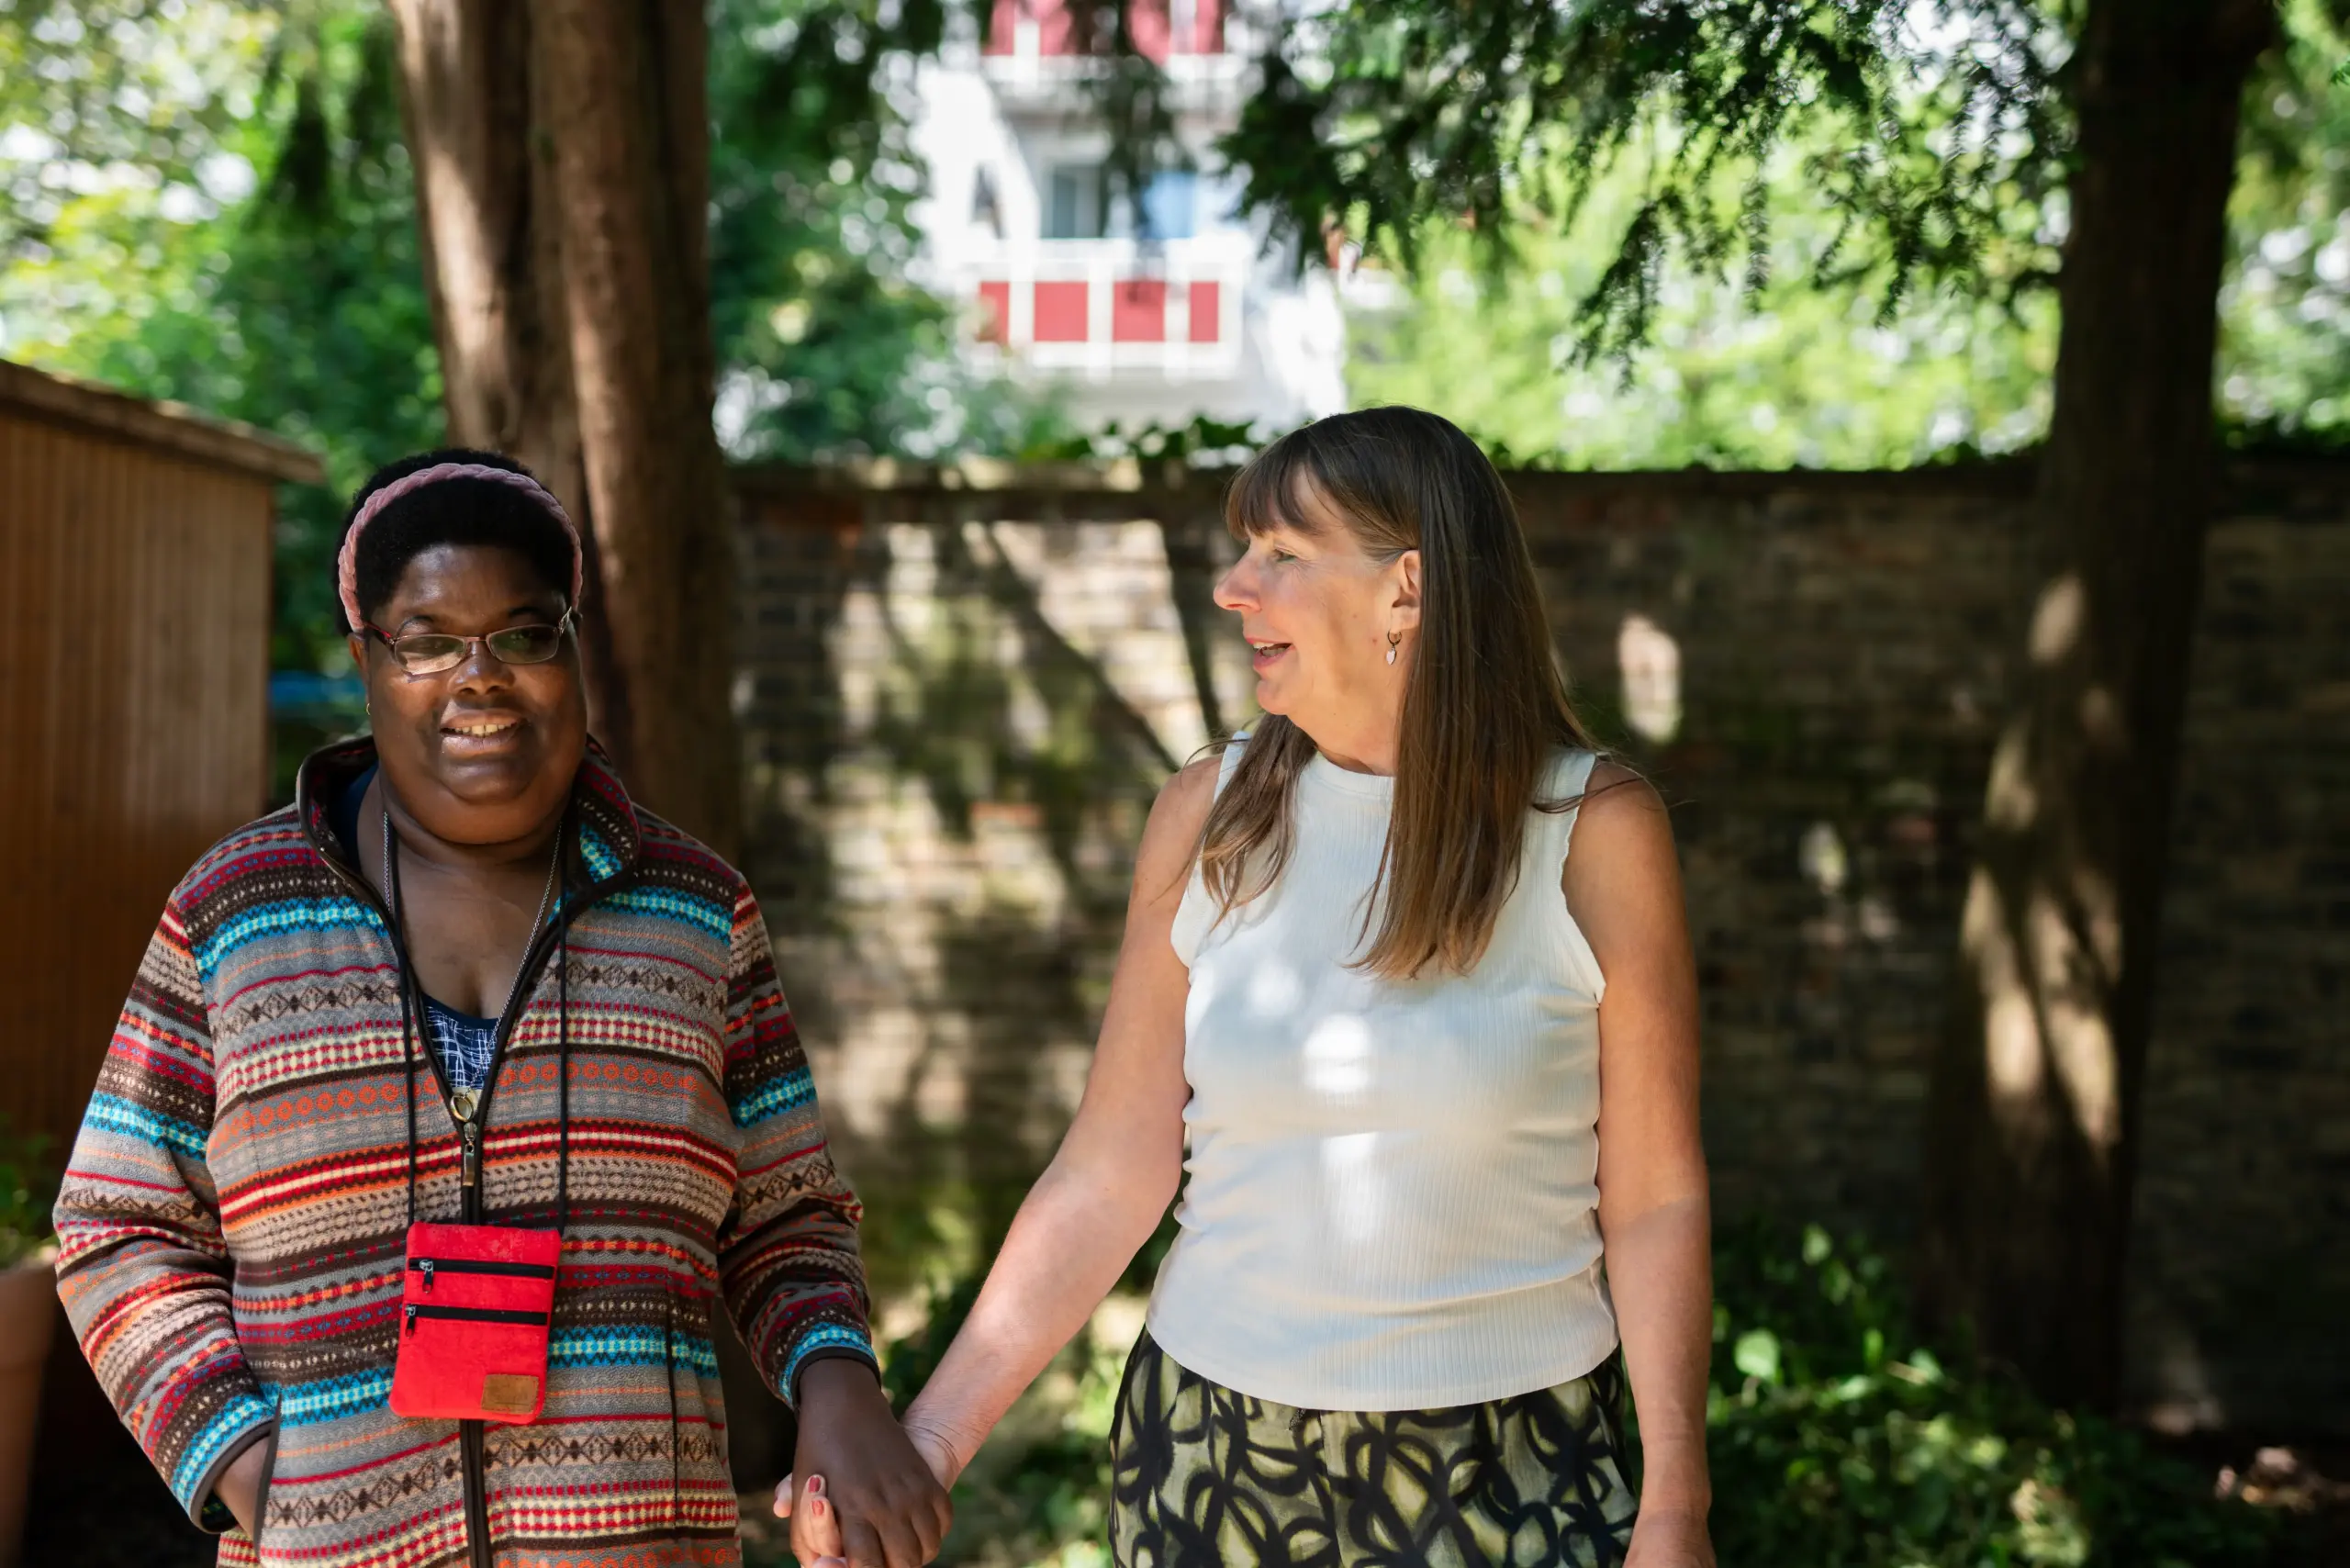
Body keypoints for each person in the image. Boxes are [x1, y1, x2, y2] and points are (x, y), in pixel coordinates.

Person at [785, 407, 1715, 1567]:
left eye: (1280, 554)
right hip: (1211, 1458)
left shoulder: (1590, 832)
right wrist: (930, 1437)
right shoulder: (1209, 812)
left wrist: (1676, 1501)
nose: (1235, 587)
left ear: (1406, 590)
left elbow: (1655, 1194)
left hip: (1515, 1464)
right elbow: (1111, 1167)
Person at [52, 451, 949, 1568]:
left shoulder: (694, 911)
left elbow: (785, 1215)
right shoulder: (234, 917)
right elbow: (119, 1223)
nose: (479, 678)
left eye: (523, 634)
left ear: (572, 648)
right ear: (367, 661)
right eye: (427, 640)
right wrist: (247, 1465)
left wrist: (840, 1382)